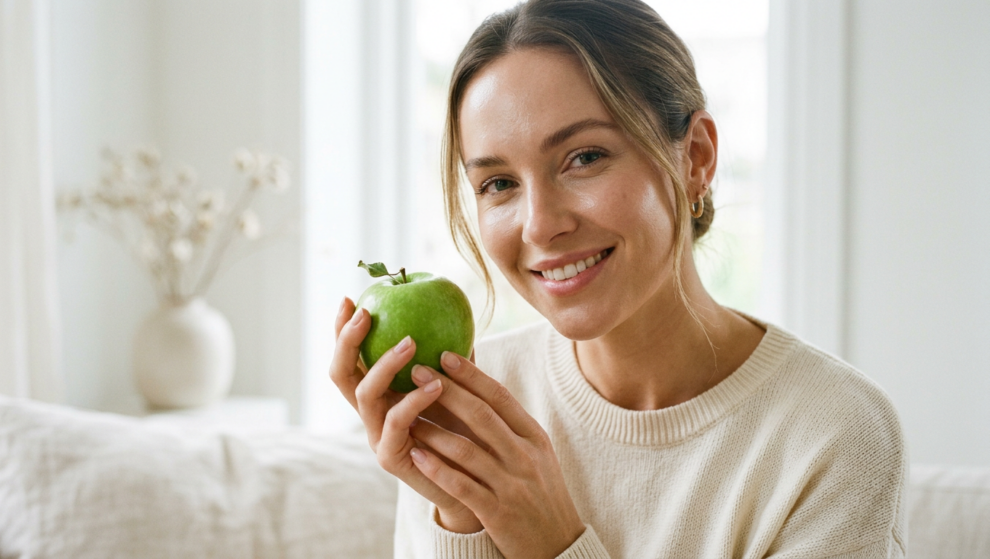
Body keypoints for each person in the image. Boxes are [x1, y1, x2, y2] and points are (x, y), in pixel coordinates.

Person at [329, 0, 907, 557]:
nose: (540, 224)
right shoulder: (468, 409)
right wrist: (462, 514)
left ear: (696, 158)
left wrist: (551, 543)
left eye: (584, 157)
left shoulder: (835, 432)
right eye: (498, 184)